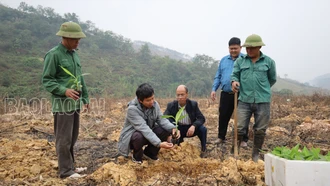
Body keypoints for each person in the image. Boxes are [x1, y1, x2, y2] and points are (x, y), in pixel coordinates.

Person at [42, 22, 89, 178]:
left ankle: (71, 167)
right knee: (63, 139)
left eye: (79, 39)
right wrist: (64, 91)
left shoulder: (74, 54)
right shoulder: (54, 55)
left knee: (72, 137)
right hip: (62, 105)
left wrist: (85, 98)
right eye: (75, 39)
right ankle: (65, 171)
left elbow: (80, 79)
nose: (78, 42)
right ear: (66, 37)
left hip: (74, 104)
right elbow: (47, 80)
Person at [231, 34, 277, 162]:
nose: (249, 50)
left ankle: (255, 154)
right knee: (239, 127)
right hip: (244, 100)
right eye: (247, 48)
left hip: (263, 101)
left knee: (260, 130)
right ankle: (234, 152)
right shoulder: (240, 61)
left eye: (252, 48)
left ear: (259, 47)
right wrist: (234, 82)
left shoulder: (269, 62)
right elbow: (234, 75)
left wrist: (262, 89)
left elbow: (272, 79)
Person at [117, 83, 180, 163]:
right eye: (148, 100)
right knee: (138, 136)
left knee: (164, 129)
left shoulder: (155, 105)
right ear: (140, 100)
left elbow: (162, 120)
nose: (151, 102)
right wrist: (159, 143)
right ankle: (137, 156)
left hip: (148, 135)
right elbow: (144, 129)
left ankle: (149, 153)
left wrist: (173, 128)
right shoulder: (132, 110)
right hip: (133, 138)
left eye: (152, 98)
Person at [211, 37, 249, 147]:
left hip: (241, 94)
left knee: (242, 117)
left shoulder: (245, 59)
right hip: (226, 94)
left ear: (240, 48)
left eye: (235, 48)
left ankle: (243, 139)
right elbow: (218, 76)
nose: (233, 50)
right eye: (231, 48)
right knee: (223, 116)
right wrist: (214, 89)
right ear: (228, 48)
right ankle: (221, 137)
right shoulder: (223, 60)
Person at [164, 85, 207, 158]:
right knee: (178, 146)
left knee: (203, 129)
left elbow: (201, 118)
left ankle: (204, 149)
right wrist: (173, 127)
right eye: (178, 95)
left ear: (187, 94)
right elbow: (165, 118)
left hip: (190, 128)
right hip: (178, 128)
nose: (180, 97)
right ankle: (177, 148)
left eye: (182, 95)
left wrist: (194, 126)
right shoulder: (171, 105)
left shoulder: (193, 104)